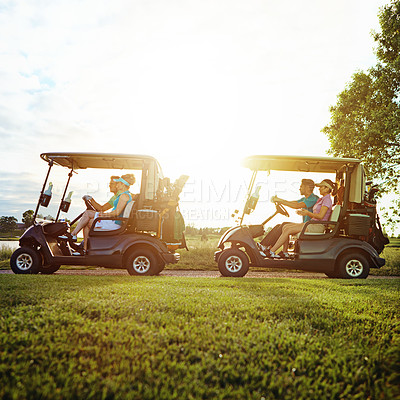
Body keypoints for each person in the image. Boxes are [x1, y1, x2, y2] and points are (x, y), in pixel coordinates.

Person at [66, 174, 135, 254]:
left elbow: (116, 212)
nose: (117, 185)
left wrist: (103, 215)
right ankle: (84, 249)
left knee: (88, 213)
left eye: (118, 183)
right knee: (88, 221)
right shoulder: (122, 195)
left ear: (123, 185)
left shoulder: (124, 196)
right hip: (113, 221)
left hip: (115, 223)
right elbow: (109, 210)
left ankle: (73, 235)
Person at [266, 179, 336, 258]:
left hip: (317, 226)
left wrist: (307, 213)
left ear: (327, 188)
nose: (319, 188)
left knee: (288, 229)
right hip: (313, 224)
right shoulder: (322, 199)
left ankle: (271, 251)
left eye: (321, 187)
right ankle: (284, 252)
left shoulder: (327, 200)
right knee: (286, 227)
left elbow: (321, 216)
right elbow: (296, 203)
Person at [259, 179, 318, 256]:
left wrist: (279, 200)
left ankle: (266, 246)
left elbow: (296, 206)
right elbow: (293, 203)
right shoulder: (305, 199)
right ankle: (283, 252)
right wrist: (280, 201)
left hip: (309, 225)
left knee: (285, 226)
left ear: (307, 187)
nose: (299, 188)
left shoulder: (313, 198)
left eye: (301, 186)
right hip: (304, 224)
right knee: (283, 224)